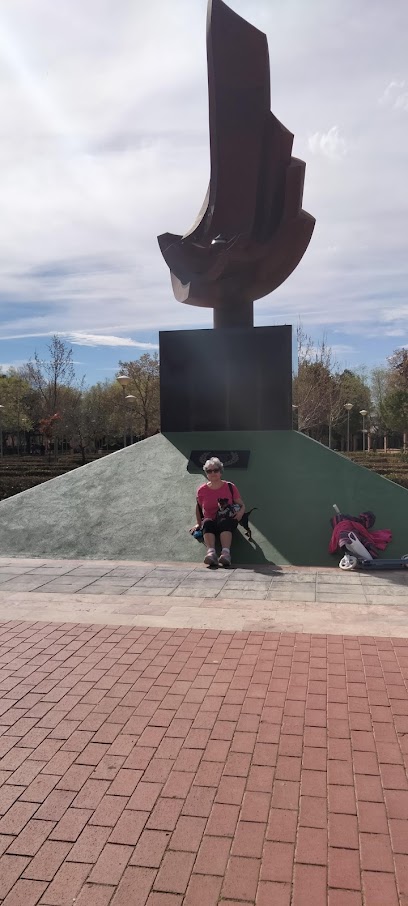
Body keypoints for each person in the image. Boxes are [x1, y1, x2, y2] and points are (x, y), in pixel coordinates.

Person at [191, 457, 245, 568]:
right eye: (209, 471)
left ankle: (226, 554)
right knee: (207, 522)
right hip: (211, 520)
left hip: (226, 520)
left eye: (215, 470)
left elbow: (241, 504)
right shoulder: (202, 490)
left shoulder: (230, 486)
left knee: (225, 522)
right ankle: (211, 554)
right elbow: (199, 507)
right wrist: (198, 523)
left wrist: (240, 514)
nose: (213, 473)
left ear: (220, 472)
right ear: (206, 474)